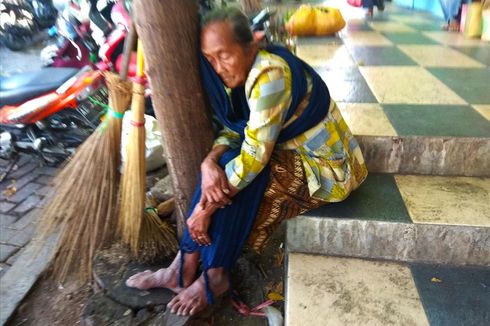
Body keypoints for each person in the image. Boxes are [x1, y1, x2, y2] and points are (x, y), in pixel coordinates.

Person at [125, 7, 368, 316]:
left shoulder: (269, 75)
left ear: (251, 45)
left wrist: (202, 210)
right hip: (291, 154)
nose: (219, 67)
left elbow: (253, 157)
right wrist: (207, 163)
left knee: (242, 180)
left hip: (329, 169)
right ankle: (186, 265)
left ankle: (210, 272)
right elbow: (235, 130)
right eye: (210, 59)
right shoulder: (244, 76)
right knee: (224, 167)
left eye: (224, 55)